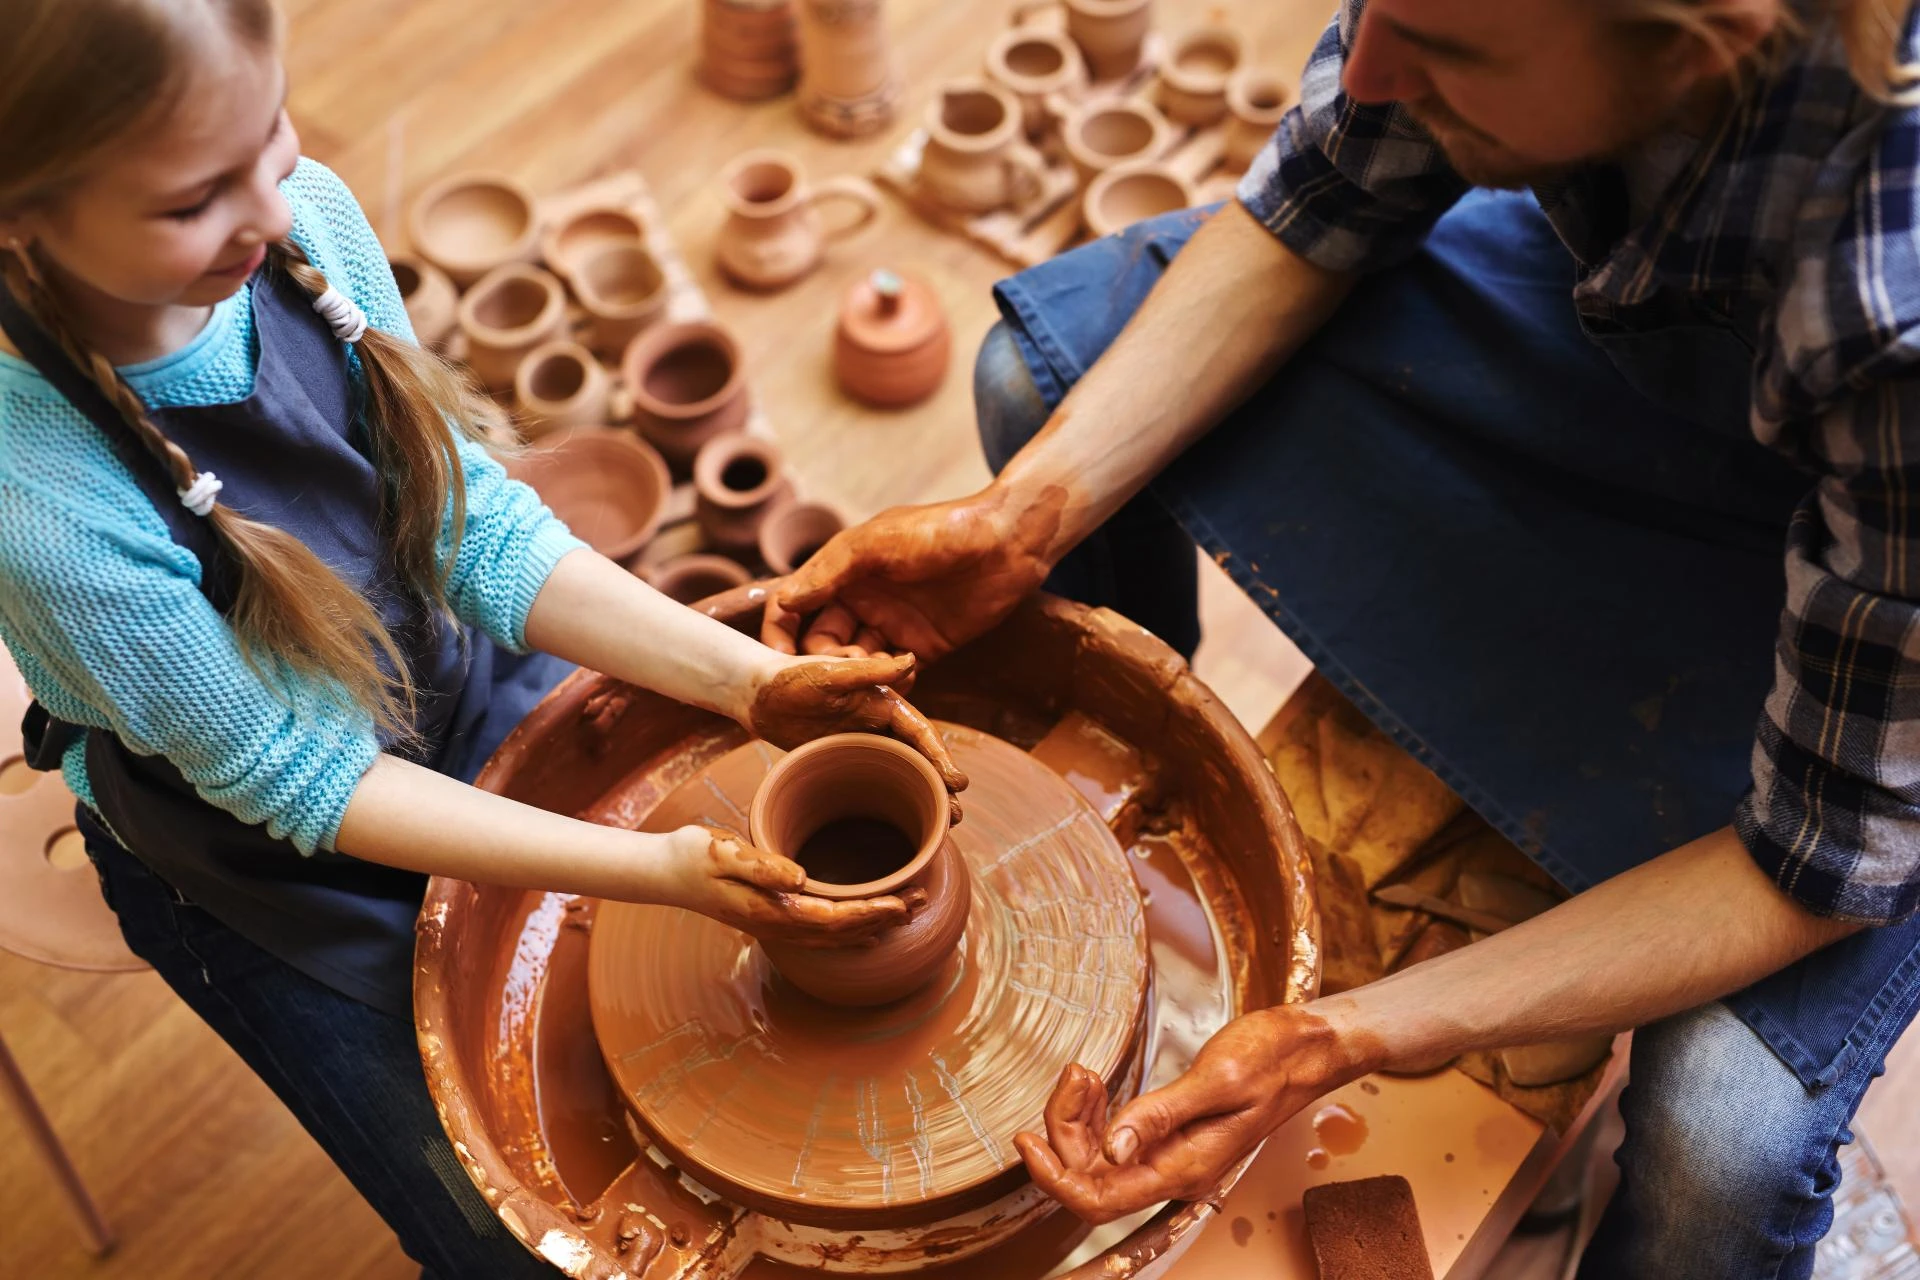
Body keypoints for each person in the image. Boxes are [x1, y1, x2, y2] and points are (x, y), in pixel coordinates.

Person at [768, 0, 1920, 1272]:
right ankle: (1126, 832)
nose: (1368, 61)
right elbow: (1320, 198)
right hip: (1659, 357)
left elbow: (1815, 860)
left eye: (1456, 52)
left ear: (1694, 44)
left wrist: (1342, 1034)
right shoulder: (1470, 32)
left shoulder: (1893, 298)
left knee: (1726, 1141)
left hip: (1873, 587)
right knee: (1034, 386)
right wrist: (1017, 523)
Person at [0, 2, 965, 1275]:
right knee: (519, 1240)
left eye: (272, 132)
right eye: (194, 200)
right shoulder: (42, 497)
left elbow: (473, 534)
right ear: (22, 216)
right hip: (270, 852)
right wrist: (665, 873)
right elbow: (302, 778)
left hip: (450, 675)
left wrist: (756, 681)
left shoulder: (308, 223)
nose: (274, 212)